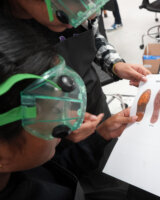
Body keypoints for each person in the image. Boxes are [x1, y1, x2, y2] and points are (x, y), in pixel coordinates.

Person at [0, 0, 150, 197]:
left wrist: (99, 136)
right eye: (66, 11)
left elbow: (59, 169)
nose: (74, 22)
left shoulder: (32, 170)